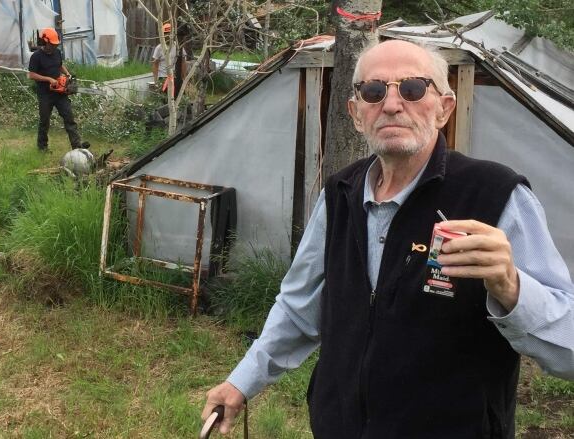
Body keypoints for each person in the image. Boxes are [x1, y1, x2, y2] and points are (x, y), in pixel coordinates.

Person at [201, 40, 574, 439]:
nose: (392, 104)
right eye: (374, 91)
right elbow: (298, 307)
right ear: (356, 113)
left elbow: (567, 349)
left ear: (444, 107)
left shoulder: (495, 195)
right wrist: (242, 382)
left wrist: (512, 287)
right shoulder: (339, 194)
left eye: (413, 88)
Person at [27, 28, 89, 152]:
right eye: (52, 44)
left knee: (69, 117)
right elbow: (31, 75)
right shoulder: (36, 56)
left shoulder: (57, 53)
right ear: (45, 42)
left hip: (59, 93)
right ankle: (42, 147)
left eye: (56, 45)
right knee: (44, 121)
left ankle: (77, 146)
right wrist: (48, 79)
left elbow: (60, 65)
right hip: (45, 94)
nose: (54, 47)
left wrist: (67, 74)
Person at [151, 22, 187, 98]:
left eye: (169, 33)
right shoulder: (159, 48)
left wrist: (184, 78)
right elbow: (155, 64)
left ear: (173, 34)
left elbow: (183, 62)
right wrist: (156, 81)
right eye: (165, 33)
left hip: (176, 77)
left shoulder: (178, 46)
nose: (168, 36)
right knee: (165, 99)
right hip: (163, 78)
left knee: (178, 98)